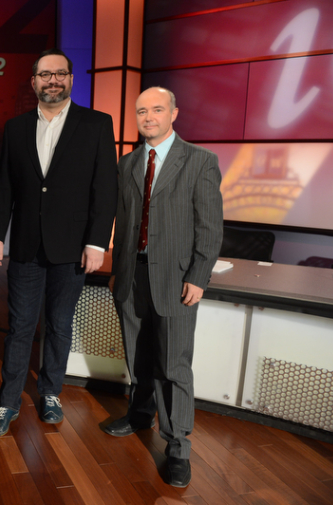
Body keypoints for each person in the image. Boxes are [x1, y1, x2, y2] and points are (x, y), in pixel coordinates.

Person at [0, 48, 118, 437]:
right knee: (21, 326)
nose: (53, 80)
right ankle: (8, 401)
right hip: (25, 245)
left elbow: (104, 189)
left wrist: (97, 242)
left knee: (59, 325)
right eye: (45, 75)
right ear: (34, 82)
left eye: (60, 74)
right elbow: (5, 185)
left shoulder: (96, 124)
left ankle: (50, 393)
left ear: (71, 80)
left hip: (72, 247)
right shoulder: (16, 127)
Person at [106, 86, 223, 488]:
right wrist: (118, 269)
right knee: (138, 355)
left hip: (176, 279)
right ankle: (139, 415)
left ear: (175, 112)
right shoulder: (128, 163)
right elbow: (124, 221)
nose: (148, 117)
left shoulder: (200, 161)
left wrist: (198, 276)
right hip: (132, 274)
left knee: (173, 365)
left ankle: (177, 445)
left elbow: (210, 227)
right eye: (142, 111)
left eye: (157, 109)